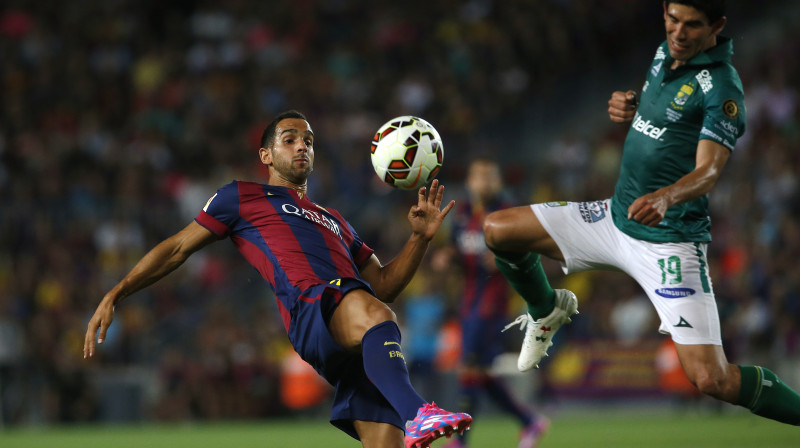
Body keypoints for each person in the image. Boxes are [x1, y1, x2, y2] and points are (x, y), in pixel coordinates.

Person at [483, 0, 800, 426]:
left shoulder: (721, 86)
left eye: (692, 25)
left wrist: (667, 197)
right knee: (498, 229)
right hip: (613, 218)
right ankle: (546, 310)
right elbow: (664, 124)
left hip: (668, 241)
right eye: (673, 19)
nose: (679, 32)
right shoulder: (663, 52)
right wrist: (630, 111)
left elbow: (708, 170)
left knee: (712, 379)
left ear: (717, 26)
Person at [84, 110, 473, 448]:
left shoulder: (335, 219)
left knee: (385, 438)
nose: (302, 146)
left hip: (352, 320)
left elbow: (383, 282)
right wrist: (117, 293)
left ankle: (410, 413)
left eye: (308, 140)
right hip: (311, 306)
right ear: (266, 155)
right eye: (290, 139)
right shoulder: (240, 196)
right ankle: (419, 412)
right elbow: (176, 248)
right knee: (378, 312)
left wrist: (419, 240)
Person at [444, 158, 549, 448]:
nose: (484, 182)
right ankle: (530, 422)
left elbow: (529, 249)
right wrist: (447, 258)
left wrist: (506, 258)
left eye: (490, 177)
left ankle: (460, 442)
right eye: (479, 176)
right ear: (469, 181)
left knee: (468, 366)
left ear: (499, 181)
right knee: (480, 372)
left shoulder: (508, 212)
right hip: (467, 300)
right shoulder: (463, 213)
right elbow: (459, 249)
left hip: (492, 302)